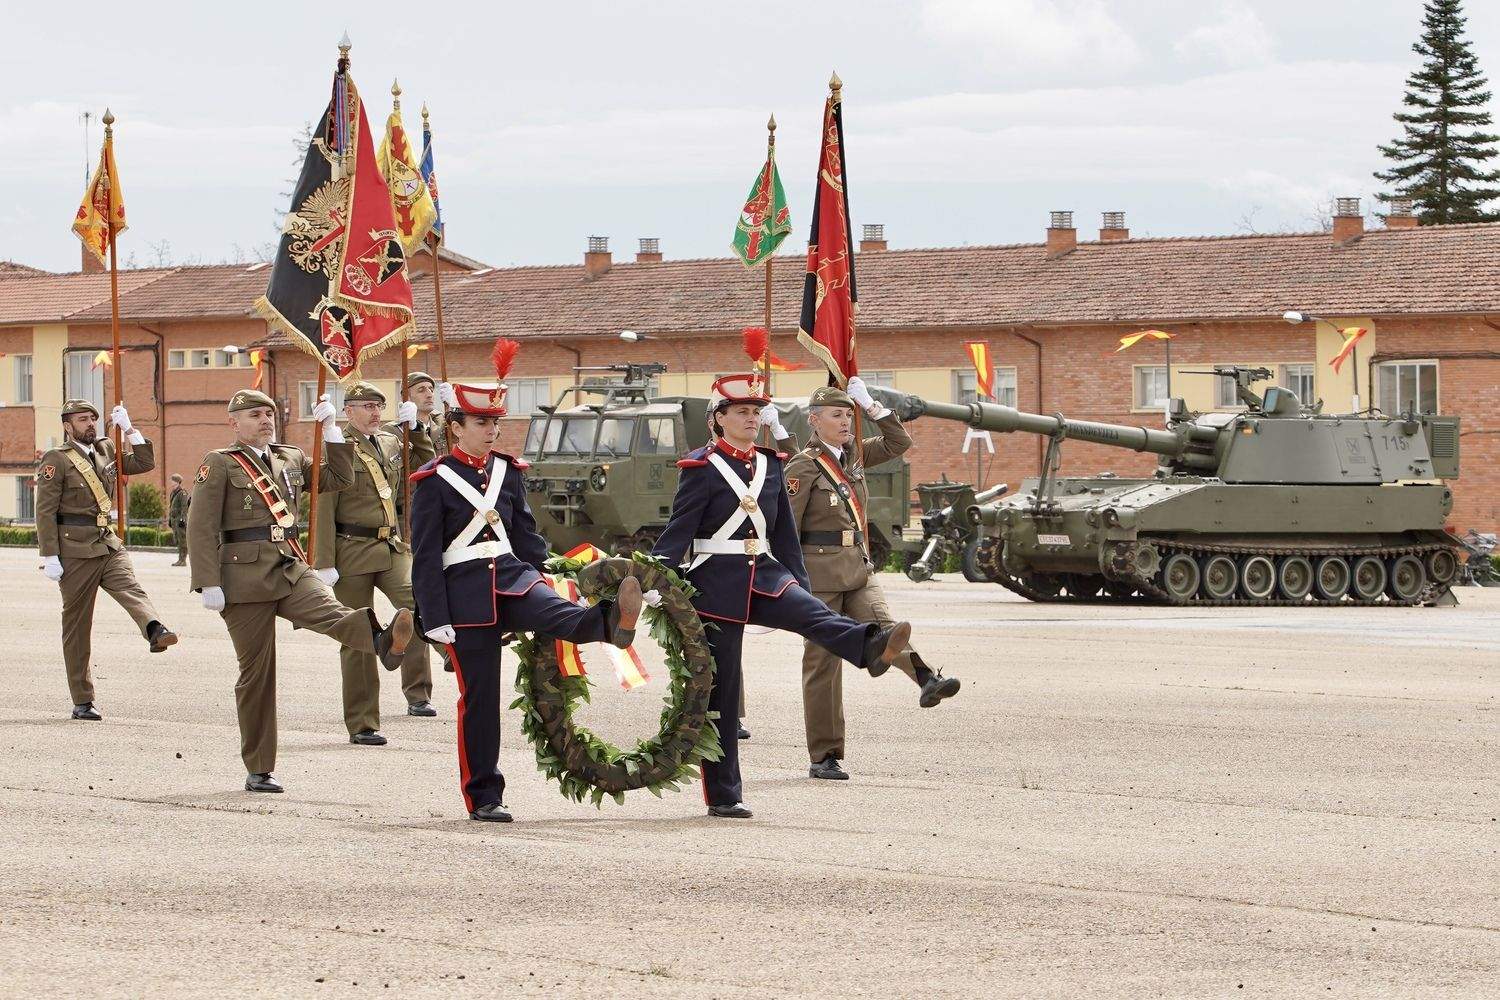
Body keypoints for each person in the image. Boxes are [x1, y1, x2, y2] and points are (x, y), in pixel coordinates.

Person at [652, 373, 913, 819]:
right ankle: (724, 794)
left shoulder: (771, 464)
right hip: (716, 581)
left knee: (814, 615)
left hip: (766, 573)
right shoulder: (700, 467)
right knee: (722, 694)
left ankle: (869, 645)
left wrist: (800, 585)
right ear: (719, 419)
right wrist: (659, 579)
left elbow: (786, 534)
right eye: (742, 412)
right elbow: (679, 531)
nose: (752, 420)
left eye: (756, 413)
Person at [410, 368, 643, 823]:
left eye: (495, 422)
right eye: (481, 422)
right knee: (480, 700)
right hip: (465, 595)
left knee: (560, 612)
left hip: (513, 577)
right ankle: (485, 796)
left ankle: (611, 620)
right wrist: (434, 616)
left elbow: (525, 536)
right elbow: (425, 555)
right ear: (455, 427)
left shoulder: (508, 472)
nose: (492, 430)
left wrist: (555, 573)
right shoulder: (434, 480)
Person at [187, 388, 415, 793]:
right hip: (243, 577)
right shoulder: (220, 463)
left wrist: (332, 433)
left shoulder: (290, 456)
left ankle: (381, 641)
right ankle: (260, 768)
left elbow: (338, 479)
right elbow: (200, 525)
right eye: (255, 415)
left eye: (268, 414)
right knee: (257, 675)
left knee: (333, 612)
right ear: (233, 422)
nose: (265, 420)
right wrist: (207, 581)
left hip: (289, 566)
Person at [781, 379, 961, 781]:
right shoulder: (803, 466)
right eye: (837, 415)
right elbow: (787, 528)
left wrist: (873, 406)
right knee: (823, 663)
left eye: (849, 415)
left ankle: (926, 679)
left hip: (858, 568)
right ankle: (824, 754)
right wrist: (792, 582)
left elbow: (899, 443)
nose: (846, 422)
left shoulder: (855, 456)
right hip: (820, 577)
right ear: (814, 421)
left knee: (887, 628)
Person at [35, 399, 178, 721]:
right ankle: (83, 700)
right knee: (77, 626)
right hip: (74, 550)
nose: (90, 424)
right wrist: (50, 555)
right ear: (67, 426)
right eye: (82, 419)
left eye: (92, 418)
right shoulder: (56, 459)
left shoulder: (105, 448)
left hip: (107, 542)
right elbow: (44, 510)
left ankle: (155, 629)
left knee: (131, 588)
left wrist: (129, 429)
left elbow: (144, 463)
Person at [314, 381, 436, 742]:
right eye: (367, 406)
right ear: (348, 411)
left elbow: (424, 466)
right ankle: (363, 723)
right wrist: (324, 559)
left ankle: (423, 679)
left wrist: (417, 431)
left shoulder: (390, 440)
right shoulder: (336, 444)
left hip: (390, 546)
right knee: (357, 635)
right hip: (350, 550)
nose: (375, 413)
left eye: (379, 406)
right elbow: (324, 503)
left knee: (417, 604)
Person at [390, 371, 446, 455]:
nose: (429, 395)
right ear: (406, 396)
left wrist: (454, 405)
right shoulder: (393, 431)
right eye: (421, 390)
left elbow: (463, 434)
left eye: (431, 390)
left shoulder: (441, 424)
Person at [168, 473, 189, 566]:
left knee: (182, 540)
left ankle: (183, 560)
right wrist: (170, 519)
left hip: (179, 520)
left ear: (177, 482)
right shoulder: (173, 492)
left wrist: (182, 519)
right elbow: (171, 507)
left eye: (173, 480)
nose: (171, 482)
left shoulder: (182, 493)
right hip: (174, 520)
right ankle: (180, 559)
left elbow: (184, 507)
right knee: (177, 539)